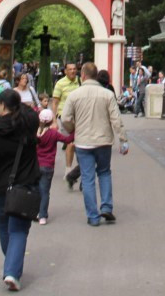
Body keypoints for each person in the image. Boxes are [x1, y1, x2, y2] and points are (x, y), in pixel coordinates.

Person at [0, 88, 41, 291]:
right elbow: (31, 113)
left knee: (5, 228)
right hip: (24, 185)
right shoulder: (28, 125)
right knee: (19, 230)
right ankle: (12, 270)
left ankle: (11, 267)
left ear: (1, 105)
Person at [60, 61, 129, 226]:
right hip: (103, 141)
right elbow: (116, 119)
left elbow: (65, 119)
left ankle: (93, 216)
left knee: (88, 177)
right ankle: (106, 206)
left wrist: (72, 130)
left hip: (83, 142)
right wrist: (123, 139)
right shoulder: (107, 94)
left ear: (82, 75)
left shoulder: (74, 95)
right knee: (104, 173)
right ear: (96, 75)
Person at [36, 108, 73, 225]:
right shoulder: (53, 133)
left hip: (35, 165)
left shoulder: (35, 133)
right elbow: (67, 140)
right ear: (52, 120)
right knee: (45, 191)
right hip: (48, 165)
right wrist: (74, 132)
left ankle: (36, 211)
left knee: (36, 190)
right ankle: (42, 216)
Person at [51, 62, 81, 186]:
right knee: (70, 142)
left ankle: (79, 169)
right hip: (65, 117)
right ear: (65, 71)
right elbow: (55, 102)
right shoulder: (60, 83)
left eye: (74, 69)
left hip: (79, 116)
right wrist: (54, 121)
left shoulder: (80, 81)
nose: (73, 71)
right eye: (70, 69)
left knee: (80, 143)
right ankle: (68, 169)